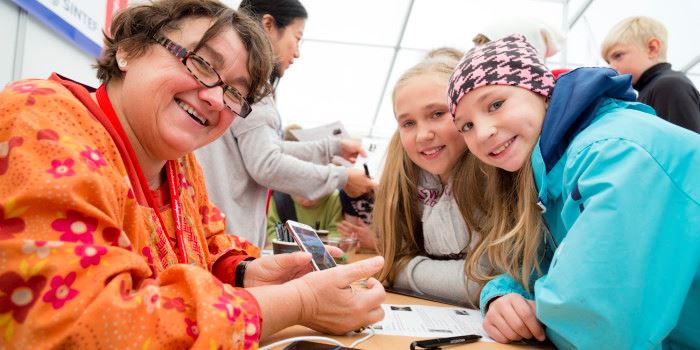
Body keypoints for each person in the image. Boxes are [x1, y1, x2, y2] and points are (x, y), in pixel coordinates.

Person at [0, 1, 385, 348]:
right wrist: (298, 303)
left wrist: (247, 274)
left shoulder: (180, 165)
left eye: (236, 93)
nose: (217, 99)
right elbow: (81, 325)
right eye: (202, 64)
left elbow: (209, 244)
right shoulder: (40, 121)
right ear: (128, 50)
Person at [448, 34, 700, 348]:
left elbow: (600, 325)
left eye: (496, 104)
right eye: (466, 126)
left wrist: (538, 313)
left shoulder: (614, 155)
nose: (483, 133)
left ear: (541, 91)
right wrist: (503, 296)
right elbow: (534, 262)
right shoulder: (550, 171)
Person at [195, 0, 374, 248]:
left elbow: (265, 150)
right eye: (297, 38)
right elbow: (266, 164)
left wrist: (332, 148)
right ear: (268, 24)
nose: (298, 52)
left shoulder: (231, 79)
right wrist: (342, 178)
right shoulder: (251, 84)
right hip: (227, 240)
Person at [373, 48, 487, 307]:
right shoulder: (406, 174)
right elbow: (391, 260)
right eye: (408, 123)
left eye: (437, 114)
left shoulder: (491, 174)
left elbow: (481, 282)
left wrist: (402, 272)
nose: (423, 134)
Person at [601, 15, 700, 133]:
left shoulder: (669, 86)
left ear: (652, 48)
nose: (612, 67)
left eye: (618, 55)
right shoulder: (650, 91)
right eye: (608, 62)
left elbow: (686, 148)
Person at [266, 125, 343, 243]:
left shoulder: (334, 200)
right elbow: (272, 234)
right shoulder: (278, 199)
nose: (307, 194)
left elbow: (337, 235)